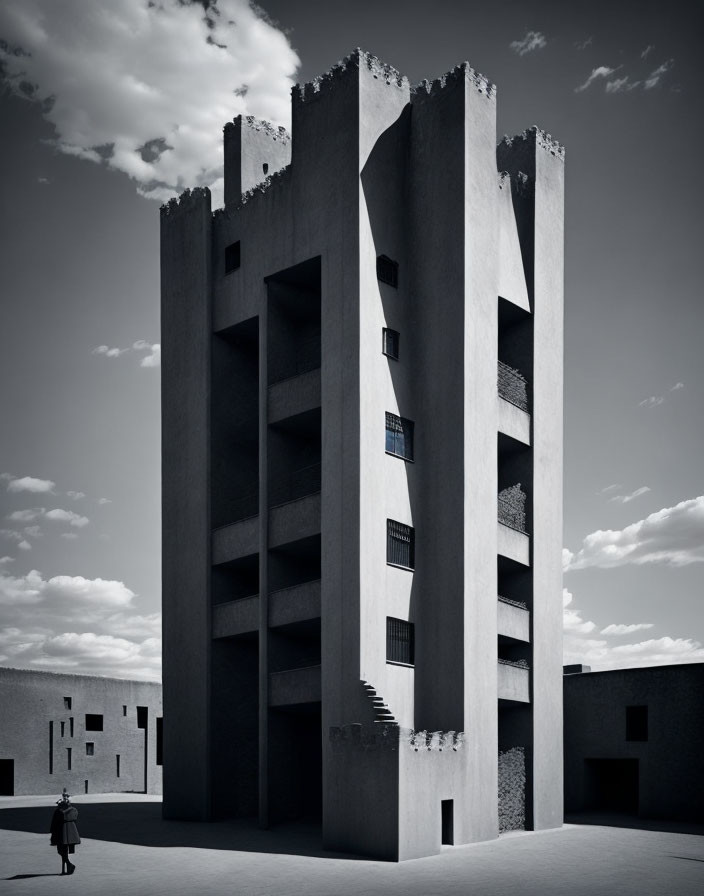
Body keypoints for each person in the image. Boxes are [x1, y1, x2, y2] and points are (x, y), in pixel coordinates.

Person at [49, 789, 81, 875]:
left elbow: (72, 817)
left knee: (63, 850)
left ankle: (68, 866)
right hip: (64, 830)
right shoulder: (61, 810)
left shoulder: (70, 810)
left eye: (67, 797)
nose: (65, 798)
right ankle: (69, 865)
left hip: (67, 830)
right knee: (62, 850)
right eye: (64, 797)